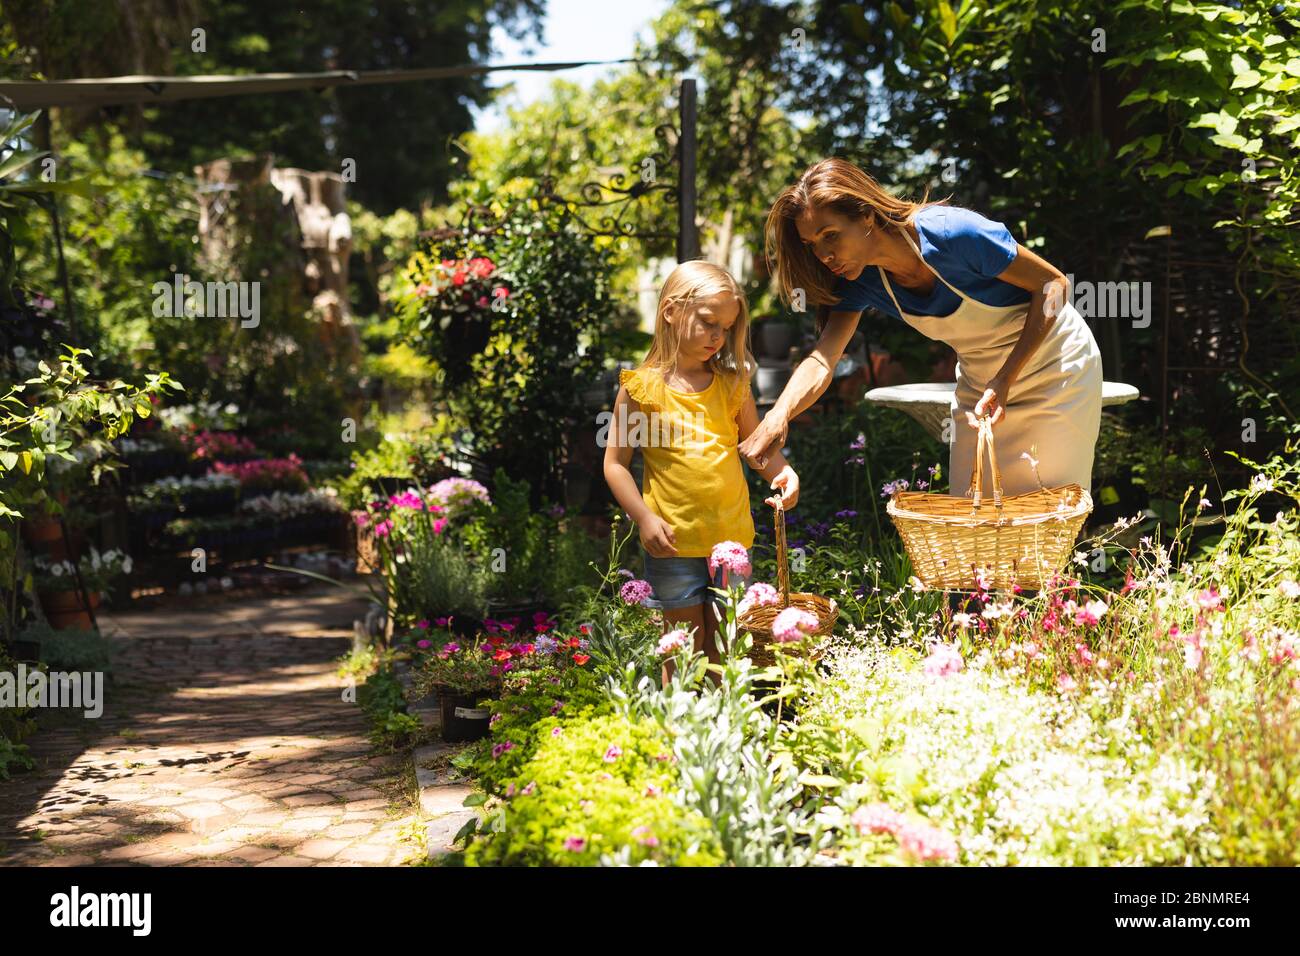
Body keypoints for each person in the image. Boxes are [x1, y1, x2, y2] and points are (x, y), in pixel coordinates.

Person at [741, 158, 1103, 499]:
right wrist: (777, 417)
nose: (823, 255)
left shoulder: (952, 234)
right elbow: (823, 359)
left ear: (866, 215)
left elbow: (1053, 285)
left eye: (830, 235)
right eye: (811, 244)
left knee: (1046, 514)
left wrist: (1006, 378)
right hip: (984, 385)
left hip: (1056, 368)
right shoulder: (859, 280)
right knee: (969, 519)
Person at [603, 260, 799, 681]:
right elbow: (616, 465)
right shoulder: (641, 388)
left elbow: (756, 449)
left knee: (726, 646)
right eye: (709, 322)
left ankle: (724, 731)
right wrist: (644, 517)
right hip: (671, 543)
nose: (718, 336)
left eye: (726, 327)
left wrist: (782, 472)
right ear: (672, 311)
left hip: (729, 540)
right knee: (683, 649)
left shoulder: (732, 385)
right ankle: (681, 737)